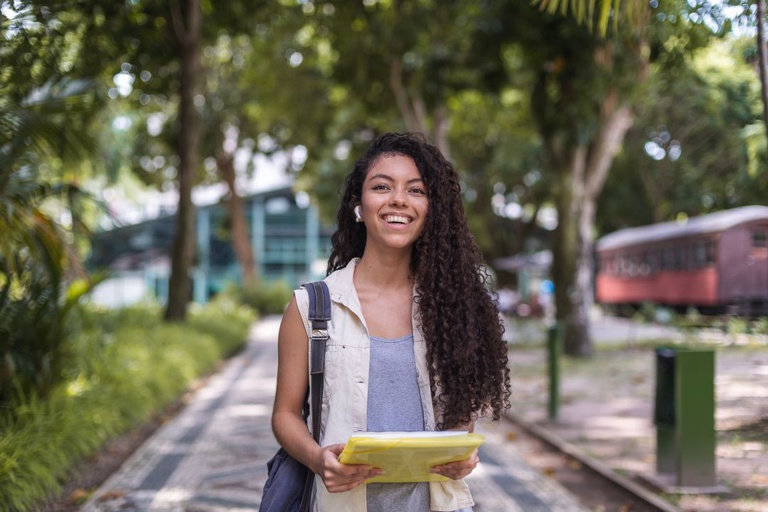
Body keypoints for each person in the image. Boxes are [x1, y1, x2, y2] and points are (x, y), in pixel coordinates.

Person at [271, 132, 511, 512]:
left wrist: (461, 453)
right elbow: (284, 415)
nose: (398, 199)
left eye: (416, 190)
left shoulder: (454, 307)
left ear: (431, 209)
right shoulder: (312, 307)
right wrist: (318, 460)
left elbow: (459, 416)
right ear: (358, 205)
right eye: (382, 186)